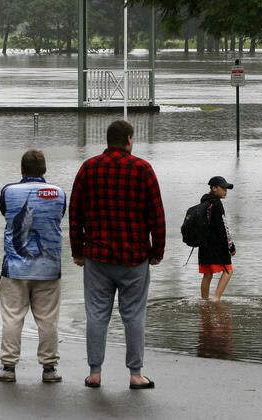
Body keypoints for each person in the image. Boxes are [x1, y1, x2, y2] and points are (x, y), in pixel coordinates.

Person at [69, 120, 165, 390]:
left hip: (97, 257)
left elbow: (75, 214)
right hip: (134, 256)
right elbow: (156, 215)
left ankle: (95, 372)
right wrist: (156, 251)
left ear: (107, 140)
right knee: (134, 315)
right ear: (129, 140)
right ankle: (135, 374)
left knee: (97, 315)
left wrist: (78, 251)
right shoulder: (143, 169)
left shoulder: (88, 168)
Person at [0, 149, 67, 384]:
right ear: (44, 170)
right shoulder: (59, 193)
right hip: (49, 268)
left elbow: (6, 213)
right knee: (48, 319)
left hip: (15, 268)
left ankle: (8, 367)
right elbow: (59, 215)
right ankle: (50, 368)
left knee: (13, 318)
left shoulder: (9, 191)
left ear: (22, 170)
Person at [198, 176, 236, 302]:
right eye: (223, 188)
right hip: (217, 246)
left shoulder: (204, 201)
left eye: (227, 188)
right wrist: (231, 246)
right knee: (228, 270)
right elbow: (223, 227)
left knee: (207, 274)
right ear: (214, 188)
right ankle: (216, 299)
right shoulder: (217, 204)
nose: (226, 191)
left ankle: (204, 301)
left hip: (204, 245)